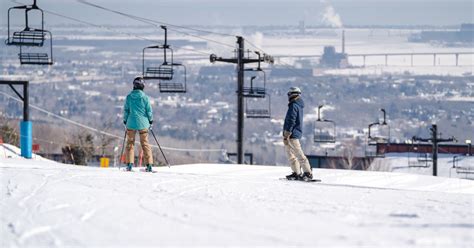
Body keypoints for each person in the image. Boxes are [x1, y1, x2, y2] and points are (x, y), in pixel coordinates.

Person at [123, 77, 154, 172]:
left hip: (131, 123)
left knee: (130, 144)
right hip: (143, 123)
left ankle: (129, 164)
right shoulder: (145, 97)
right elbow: (149, 111)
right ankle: (149, 165)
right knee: (145, 143)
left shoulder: (129, 97)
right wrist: (151, 120)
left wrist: (125, 120)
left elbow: (126, 110)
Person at [283, 86, 313, 180]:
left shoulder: (294, 105)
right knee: (290, 154)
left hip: (292, 134)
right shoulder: (296, 105)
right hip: (291, 134)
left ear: (292, 94)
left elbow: (291, 120)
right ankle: (296, 172)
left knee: (298, 154)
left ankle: (308, 173)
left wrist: (287, 133)